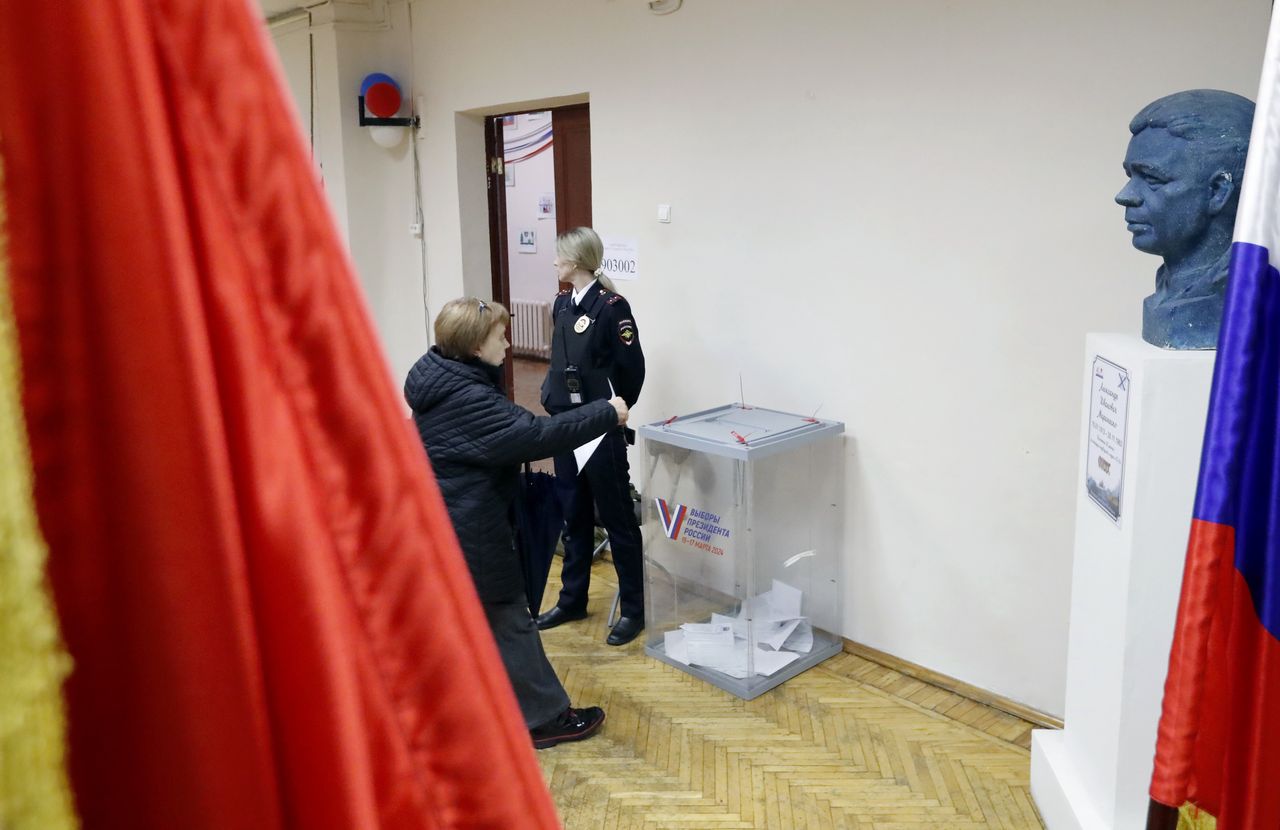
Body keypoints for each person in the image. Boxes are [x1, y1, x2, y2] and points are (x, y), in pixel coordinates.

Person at [404, 297, 629, 748]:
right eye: (499, 337)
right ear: (473, 347)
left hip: (444, 521)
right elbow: (535, 435)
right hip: (471, 530)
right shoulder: (467, 399)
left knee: (474, 621)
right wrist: (607, 412)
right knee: (509, 620)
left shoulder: (436, 377)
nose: (508, 345)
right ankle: (545, 718)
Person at [535, 227, 647, 646]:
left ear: (578, 260)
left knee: (618, 521)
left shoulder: (612, 306)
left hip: (600, 426)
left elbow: (632, 365)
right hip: (566, 425)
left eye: (560, 256)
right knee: (574, 515)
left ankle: (633, 610)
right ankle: (572, 598)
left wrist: (620, 410)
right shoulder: (563, 303)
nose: (554, 262)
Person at [1115, 89, 1254, 349]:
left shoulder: (1247, 295)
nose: (1125, 196)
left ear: (1217, 192)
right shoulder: (1169, 289)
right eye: (1130, 177)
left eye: (1152, 179)